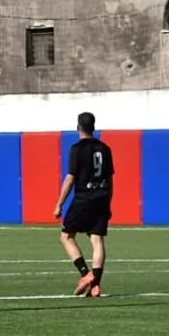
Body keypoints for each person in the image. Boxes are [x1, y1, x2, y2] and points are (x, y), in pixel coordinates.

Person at [55, 112, 113, 296]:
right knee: (97, 239)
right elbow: (110, 178)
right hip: (102, 197)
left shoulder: (77, 149)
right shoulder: (105, 148)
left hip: (84, 198)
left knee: (66, 236)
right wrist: (108, 200)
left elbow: (70, 178)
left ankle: (86, 274)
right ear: (93, 127)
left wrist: (59, 203)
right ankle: (96, 285)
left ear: (78, 127)